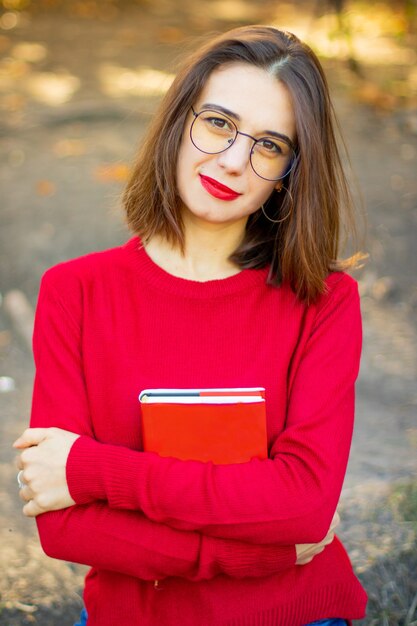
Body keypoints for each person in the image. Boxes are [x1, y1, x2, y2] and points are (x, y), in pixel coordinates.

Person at [13, 25, 367, 626]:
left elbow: (305, 506)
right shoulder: (76, 291)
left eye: (270, 146)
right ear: (181, 120)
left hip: (295, 614)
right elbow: (65, 526)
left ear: (289, 173)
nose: (232, 162)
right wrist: (256, 554)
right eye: (219, 123)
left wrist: (93, 470)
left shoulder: (326, 300)